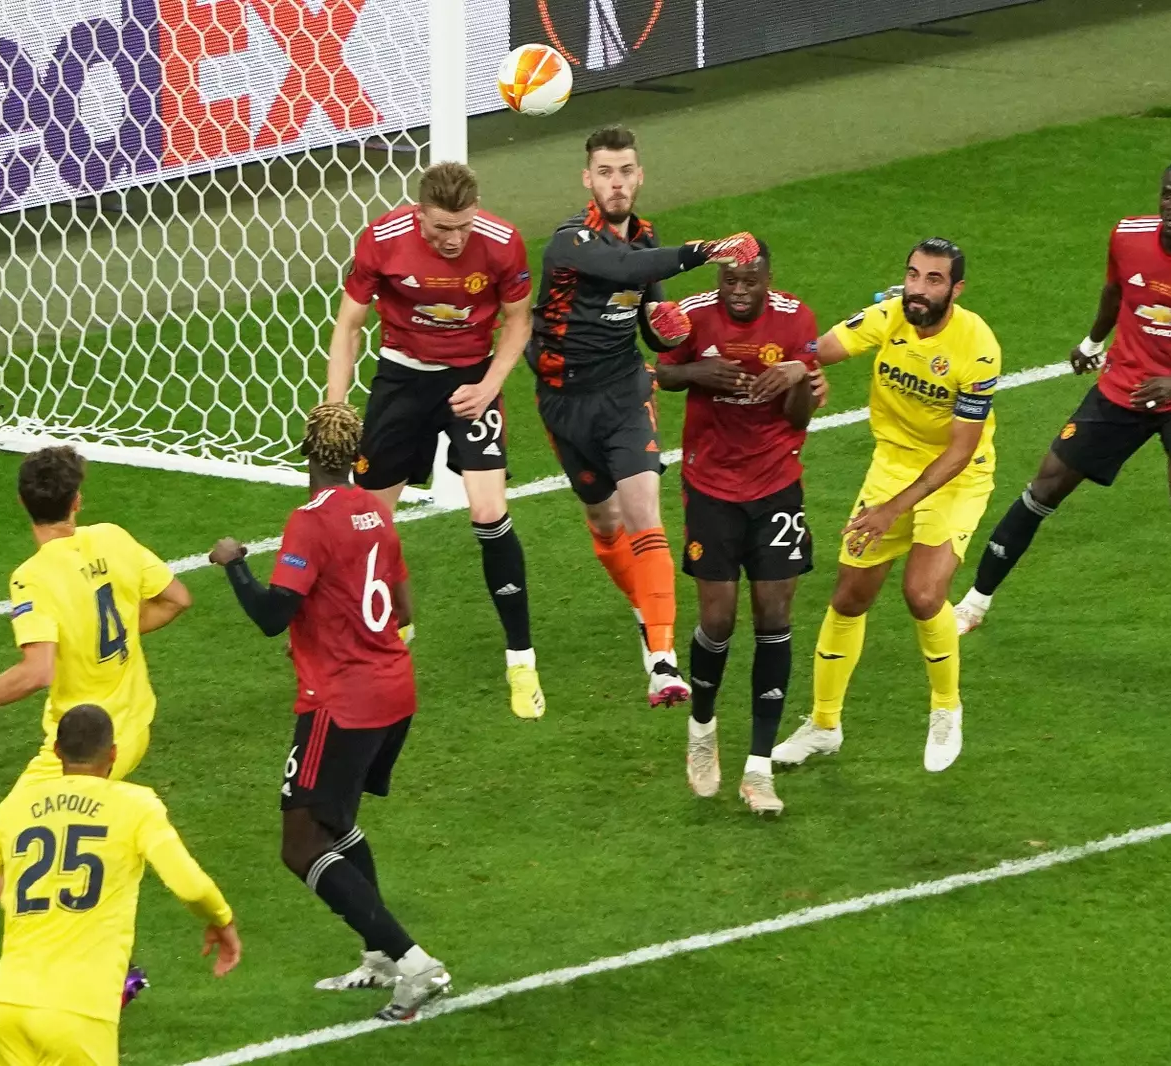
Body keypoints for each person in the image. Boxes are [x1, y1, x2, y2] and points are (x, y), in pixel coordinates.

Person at [954, 159, 1171, 648]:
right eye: (1169, 194)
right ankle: (973, 604)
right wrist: (1093, 343)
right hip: (1124, 388)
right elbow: (1115, 292)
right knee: (1045, 485)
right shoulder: (1128, 237)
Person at [209, 402, 449, 1022]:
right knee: (338, 819)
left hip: (339, 702)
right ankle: (377, 956)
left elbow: (271, 617)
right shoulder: (376, 510)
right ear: (355, 454)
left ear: (305, 453)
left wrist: (234, 564)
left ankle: (415, 965)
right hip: (395, 690)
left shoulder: (310, 521)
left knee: (300, 843)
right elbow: (401, 606)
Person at [528, 124, 761, 706]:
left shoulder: (648, 240)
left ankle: (662, 660)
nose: (617, 182)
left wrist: (665, 327)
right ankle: (643, 610)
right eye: (605, 172)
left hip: (623, 394)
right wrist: (709, 250)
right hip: (562, 400)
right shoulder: (568, 242)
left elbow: (648, 305)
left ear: (640, 175)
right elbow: (628, 272)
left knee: (644, 517)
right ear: (588, 179)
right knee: (606, 523)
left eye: (626, 170)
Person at [773, 238, 1000, 774]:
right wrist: (803, 372)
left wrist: (891, 510)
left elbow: (961, 450)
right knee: (849, 597)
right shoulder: (888, 314)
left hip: (955, 476)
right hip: (892, 466)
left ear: (956, 288)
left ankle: (946, 709)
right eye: (914, 275)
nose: (919, 289)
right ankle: (824, 725)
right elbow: (815, 348)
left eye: (934, 279)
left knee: (922, 593)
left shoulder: (979, 346)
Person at [326, 161, 545, 719]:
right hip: (401, 379)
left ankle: (521, 659)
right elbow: (349, 323)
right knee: (370, 523)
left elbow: (519, 320)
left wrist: (490, 384)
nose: (453, 240)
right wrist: (336, 401)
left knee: (490, 513)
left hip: (471, 379)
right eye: (440, 228)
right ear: (419, 212)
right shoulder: (382, 239)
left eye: (463, 227)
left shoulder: (502, 244)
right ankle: (388, 629)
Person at [0, 704, 240, 1066]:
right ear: (113, 753)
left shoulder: (15, 807)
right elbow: (191, 888)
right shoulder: (136, 806)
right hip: (79, 1013)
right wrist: (221, 920)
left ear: (56, 752)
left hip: (7, 1008)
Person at [655, 243, 820, 815]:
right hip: (711, 488)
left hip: (776, 484)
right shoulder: (693, 312)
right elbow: (662, 371)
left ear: (769, 278)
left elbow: (801, 415)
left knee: (774, 616)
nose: (739, 289)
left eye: (750, 280)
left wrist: (797, 382)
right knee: (717, 620)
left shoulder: (796, 318)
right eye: (730, 279)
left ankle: (758, 768)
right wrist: (700, 369)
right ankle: (702, 732)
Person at [0, 446, 191, 783]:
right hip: (133, 727)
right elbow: (177, 599)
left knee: (13, 833)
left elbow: (38, 671)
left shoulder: (33, 576)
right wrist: (119, 629)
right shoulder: (113, 537)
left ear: (22, 502)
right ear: (76, 501)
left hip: (84, 744)